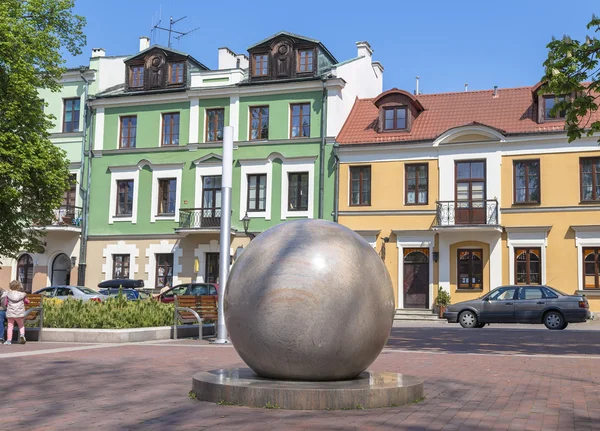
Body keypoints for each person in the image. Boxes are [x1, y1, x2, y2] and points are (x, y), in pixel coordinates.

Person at [4, 280, 28, 345]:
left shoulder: (8, 294)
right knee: (21, 325)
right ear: (18, 287)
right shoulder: (22, 295)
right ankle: (22, 335)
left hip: (10, 313)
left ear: (10, 286)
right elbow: (27, 302)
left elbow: (5, 303)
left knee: (10, 326)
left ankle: (9, 341)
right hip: (19, 313)